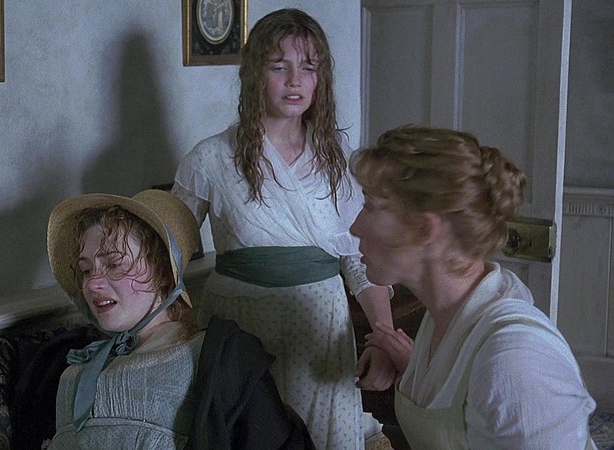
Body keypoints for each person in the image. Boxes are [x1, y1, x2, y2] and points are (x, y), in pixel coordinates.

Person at [172, 8, 395, 449]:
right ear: (255, 74)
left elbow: (358, 259)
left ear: (320, 78)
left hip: (319, 332)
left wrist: (385, 339)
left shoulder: (336, 159)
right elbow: (166, 259)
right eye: (279, 67)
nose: (295, 81)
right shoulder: (209, 159)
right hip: (238, 329)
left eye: (308, 68)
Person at [351, 125, 598, 449]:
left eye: (369, 205)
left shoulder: (517, 361)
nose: (355, 226)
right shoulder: (441, 318)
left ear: (424, 228)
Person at [42, 189, 314, 449]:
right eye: (86, 270)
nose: (92, 284)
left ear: (163, 271)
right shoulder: (72, 372)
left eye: (114, 264)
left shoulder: (216, 359)